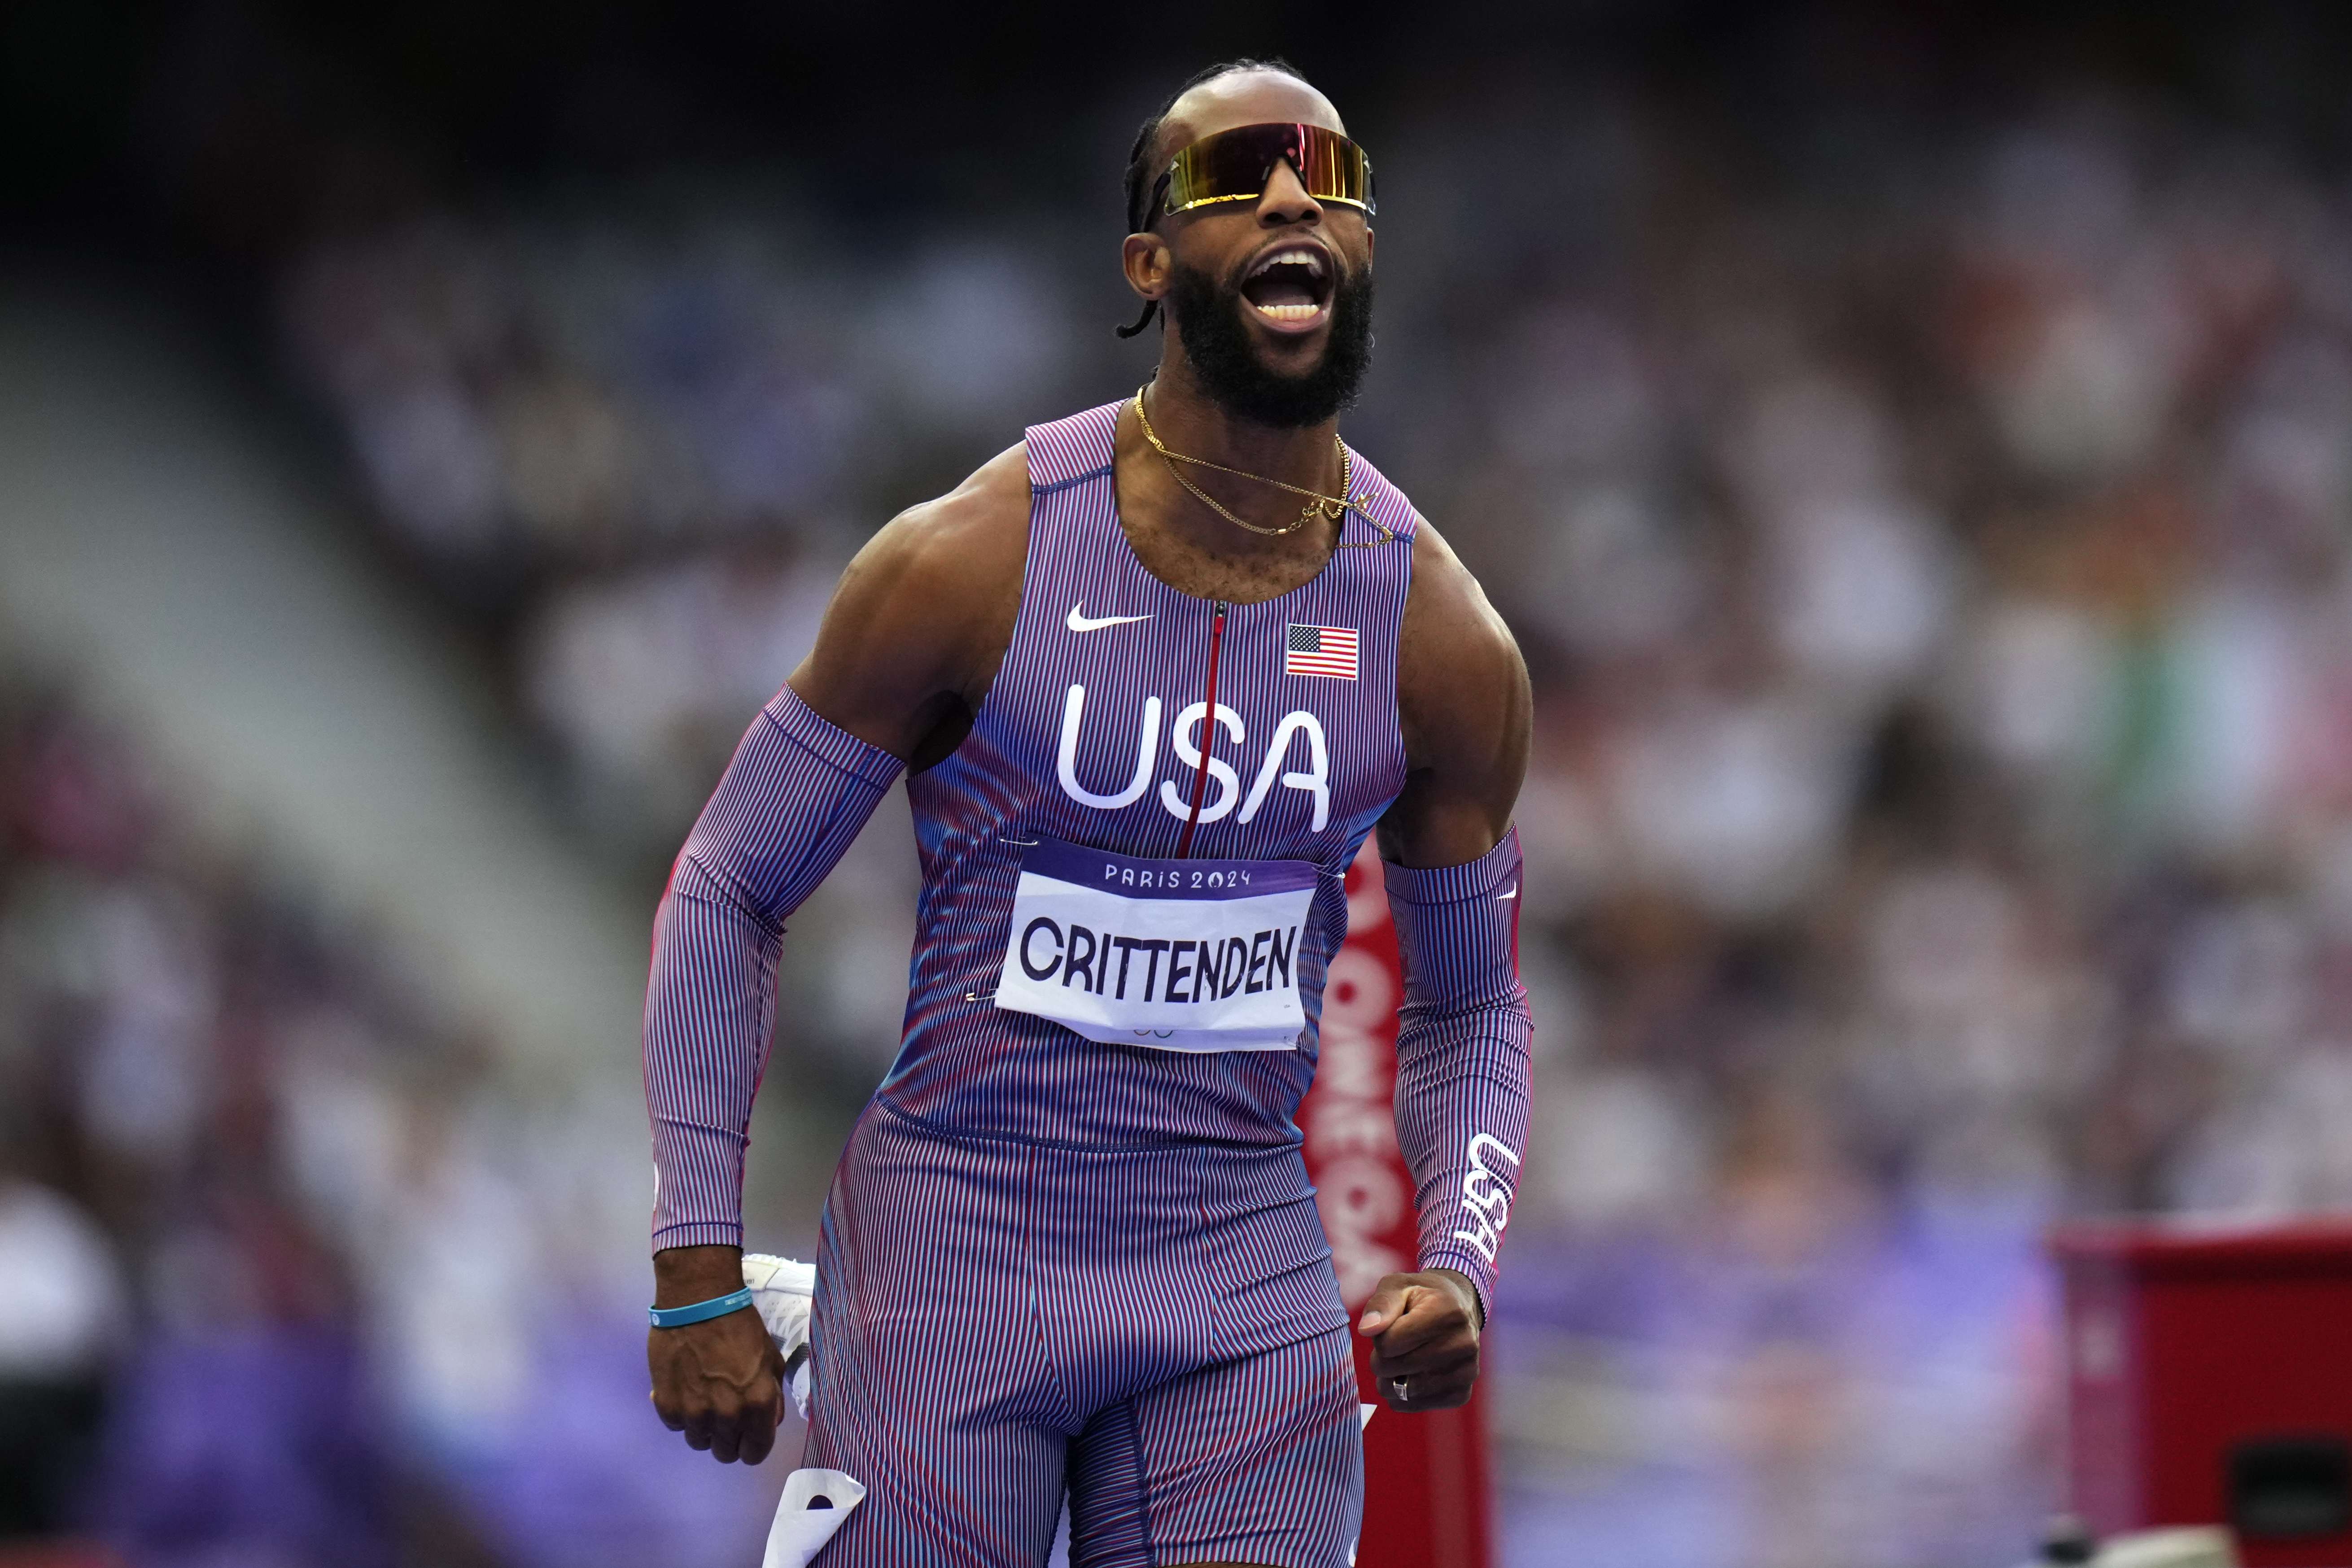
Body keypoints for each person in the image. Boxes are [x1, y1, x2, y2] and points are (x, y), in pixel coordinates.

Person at [643, 57, 1532, 1568]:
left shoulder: (1442, 641)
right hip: (953, 1257)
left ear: (1365, 248)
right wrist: (691, 1267)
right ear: (1147, 263)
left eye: (1326, 172)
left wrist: (1455, 1260)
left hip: (1237, 1290)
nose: (1286, 195)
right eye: (1232, 173)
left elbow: (1467, 1013)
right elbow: (730, 884)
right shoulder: (966, 563)